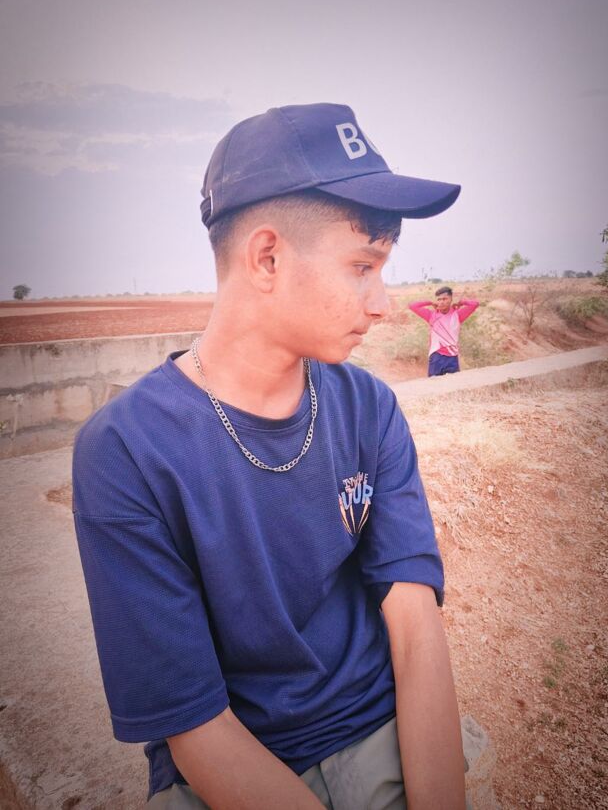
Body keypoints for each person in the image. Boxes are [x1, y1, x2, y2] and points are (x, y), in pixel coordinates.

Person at [73, 103, 467, 810]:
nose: (381, 303)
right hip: (226, 771)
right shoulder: (126, 452)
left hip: (378, 729)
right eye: (363, 266)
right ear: (266, 258)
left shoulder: (369, 407)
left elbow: (415, 629)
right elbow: (194, 726)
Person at [409, 287, 479, 376]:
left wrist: (461, 302)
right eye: (439, 299)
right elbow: (412, 306)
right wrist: (429, 302)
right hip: (436, 356)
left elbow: (475, 304)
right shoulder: (431, 315)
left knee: (453, 383)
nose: (441, 302)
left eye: (445, 299)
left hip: (452, 357)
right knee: (434, 383)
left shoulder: (458, 315)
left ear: (451, 299)